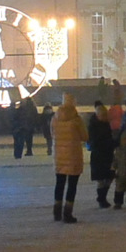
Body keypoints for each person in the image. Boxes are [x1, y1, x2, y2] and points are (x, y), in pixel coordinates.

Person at [46, 92, 86, 223]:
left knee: (60, 183)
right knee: (72, 185)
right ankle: (67, 213)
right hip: (73, 155)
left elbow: (52, 134)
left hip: (59, 155)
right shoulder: (76, 119)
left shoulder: (55, 118)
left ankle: (56, 212)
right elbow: (85, 136)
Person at [87, 100, 116, 208]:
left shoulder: (105, 124)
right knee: (101, 178)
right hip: (99, 155)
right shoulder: (94, 126)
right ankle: (101, 198)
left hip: (106, 154)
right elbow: (95, 141)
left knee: (108, 177)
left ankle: (102, 197)